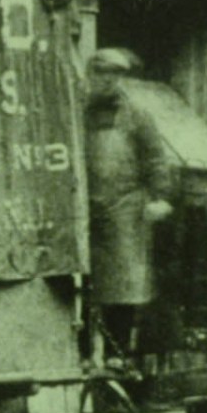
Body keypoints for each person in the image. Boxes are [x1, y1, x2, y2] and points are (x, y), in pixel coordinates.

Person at [84, 48, 176, 361]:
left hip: (125, 210)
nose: (107, 80)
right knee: (82, 284)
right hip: (86, 210)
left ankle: (117, 356)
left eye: (114, 74)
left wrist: (160, 198)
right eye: (101, 73)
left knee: (122, 287)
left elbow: (155, 160)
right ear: (91, 75)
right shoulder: (79, 113)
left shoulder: (137, 114)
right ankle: (82, 356)